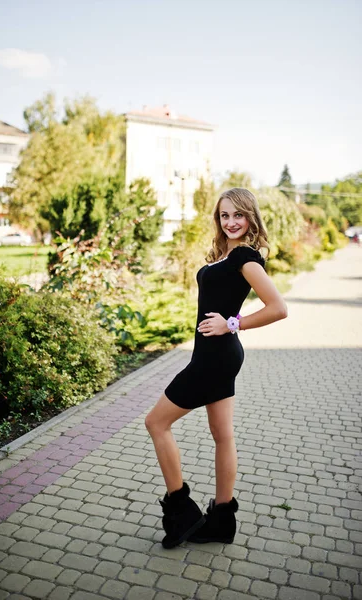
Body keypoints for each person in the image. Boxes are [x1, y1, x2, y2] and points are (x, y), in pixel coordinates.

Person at [145, 188, 288, 549]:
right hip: (215, 355)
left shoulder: (245, 257)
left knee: (156, 422)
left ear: (251, 217)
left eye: (238, 215)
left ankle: (182, 513)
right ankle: (221, 521)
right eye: (225, 215)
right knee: (222, 435)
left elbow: (278, 307)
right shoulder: (225, 254)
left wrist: (233, 323)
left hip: (216, 357)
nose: (231, 222)